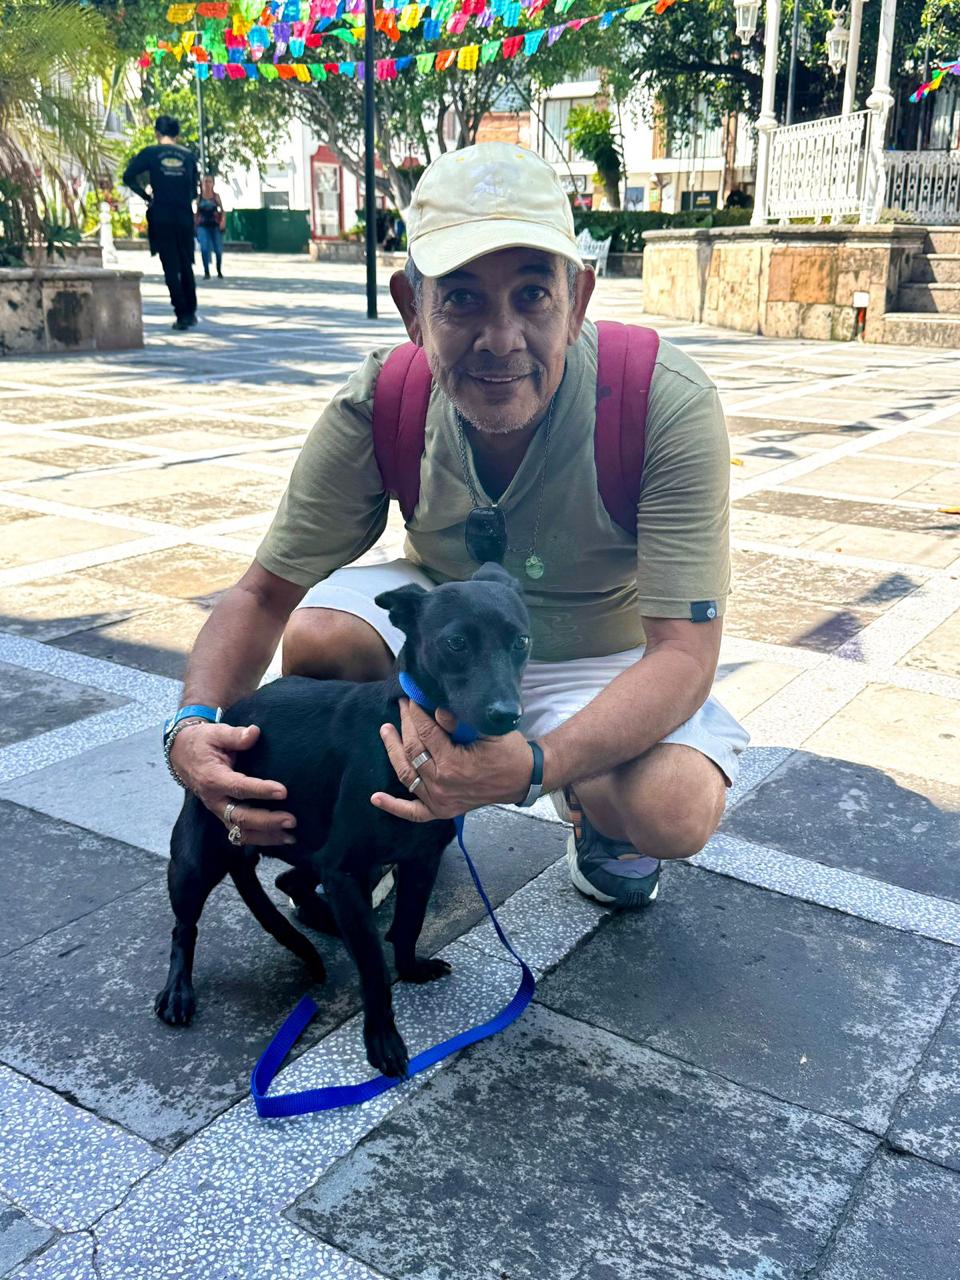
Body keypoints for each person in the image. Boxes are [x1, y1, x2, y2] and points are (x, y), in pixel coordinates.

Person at [163, 142, 748, 911]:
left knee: (673, 806)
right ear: (413, 309)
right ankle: (390, 816)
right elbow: (263, 595)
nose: (501, 339)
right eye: (463, 299)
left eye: (533, 294)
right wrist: (194, 728)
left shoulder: (660, 400)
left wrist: (536, 766)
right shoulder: (384, 400)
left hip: (603, 651)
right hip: (450, 627)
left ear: (577, 299)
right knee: (319, 637)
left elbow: (684, 652)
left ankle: (596, 816)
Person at [122, 115, 199, 332]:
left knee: (170, 266)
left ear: (157, 133)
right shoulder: (188, 156)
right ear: (177, 134)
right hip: (183, 216)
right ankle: (190, 311)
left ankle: (181, 313)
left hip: (161, 215)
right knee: (186, 264)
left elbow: (128, 176)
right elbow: (194, 190)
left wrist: (147, 197)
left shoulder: (151, 153)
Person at [195, 176, 226, 280]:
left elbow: (222, 211)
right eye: (205, 181)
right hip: (203, 226)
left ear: (213, 184)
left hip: (215, 225)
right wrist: (195, 225)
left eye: (210, 181)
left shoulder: (216, 197)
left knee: (218, 250)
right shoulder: (199, 198)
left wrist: (222, 222)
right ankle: (206, 272)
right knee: (204, 248)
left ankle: (219, 270)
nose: (207, 184)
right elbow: (196, 213)